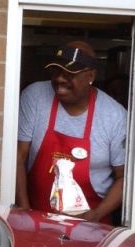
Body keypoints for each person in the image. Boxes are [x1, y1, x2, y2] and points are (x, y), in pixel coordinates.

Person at [15, 41, 126, 223]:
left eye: (70, 73)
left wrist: (96, 215)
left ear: (90, 76)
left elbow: (124, 177)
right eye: (57, 71)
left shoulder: (114, 115)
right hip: (36, 217)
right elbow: (19, 156)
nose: (60, 79)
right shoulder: (35, 97)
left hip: (90, 223)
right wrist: (25, 211)